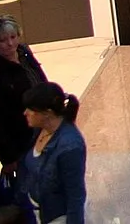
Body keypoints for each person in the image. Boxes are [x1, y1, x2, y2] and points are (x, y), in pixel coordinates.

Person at [0, 17, 46, 188]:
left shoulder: (24, 53)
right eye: (2, 40)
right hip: (22, 138)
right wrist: (7, 157)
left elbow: (39, 78)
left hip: (43, 127)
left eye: (13, 37)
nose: (10, 43)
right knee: (31, 184)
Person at [15, 84, 85, 224]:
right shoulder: (40, 130)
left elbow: (75, 195)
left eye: (31, 109)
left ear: (47, 113)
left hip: (57, 218)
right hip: (38, 212)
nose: (25, 113)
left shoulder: (70, 146)